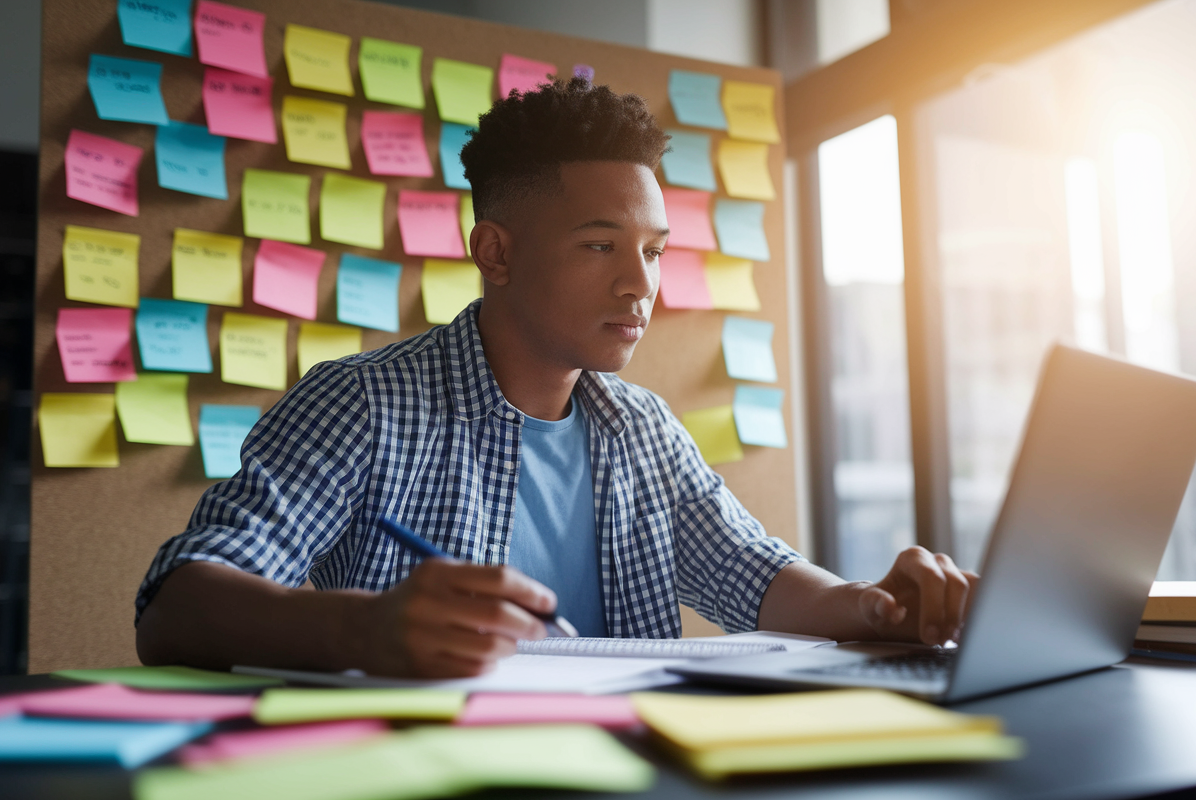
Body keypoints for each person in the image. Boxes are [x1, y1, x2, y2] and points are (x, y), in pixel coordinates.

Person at [135, 78, 976, 679]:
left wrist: (876, 608)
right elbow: (175, 606)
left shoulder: (643, 427)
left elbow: (756, 576)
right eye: (600, 245)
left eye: (652, 252)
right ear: (495, 252)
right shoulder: (362, 403)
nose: (640, 285)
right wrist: (366, 629)